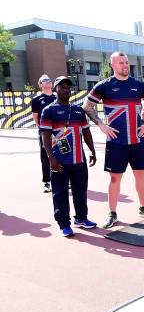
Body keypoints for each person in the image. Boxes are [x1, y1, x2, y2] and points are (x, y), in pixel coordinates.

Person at [82, 51, 144, 229]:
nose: (125, 66)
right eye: (121, 63)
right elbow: (87, 106)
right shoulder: (104, 86)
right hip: (116, 141)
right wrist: (101, 125)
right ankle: (112, 213)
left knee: (141, 175)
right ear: (112, 65)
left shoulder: (139, 85)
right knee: (115, 178)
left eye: (126, 62)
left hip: (137, 140)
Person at [40, 77, 97, 236]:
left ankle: (81, 218)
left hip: (79, 160)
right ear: (56, 89)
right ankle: (64, 224)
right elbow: (45, 136)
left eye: (68, 87)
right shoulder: (49, 111)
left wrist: (92, 150)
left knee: (81, 191)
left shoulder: (78, 110)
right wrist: (51, 158)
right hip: (59, 161)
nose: (66, 90)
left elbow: (86, 132)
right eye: (62, 87)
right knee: (60, 193)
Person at [31, 74, 56, 193]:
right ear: (40, 85)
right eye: (44, 80)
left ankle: (64, 179)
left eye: (49, 80)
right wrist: (42, 129)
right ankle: (47, 182)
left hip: (59, 132)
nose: (48, 82)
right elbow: (35, 117)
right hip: (45, 133)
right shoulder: (36, 100)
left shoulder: (58, 97)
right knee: (46, 156)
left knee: (63, 153)